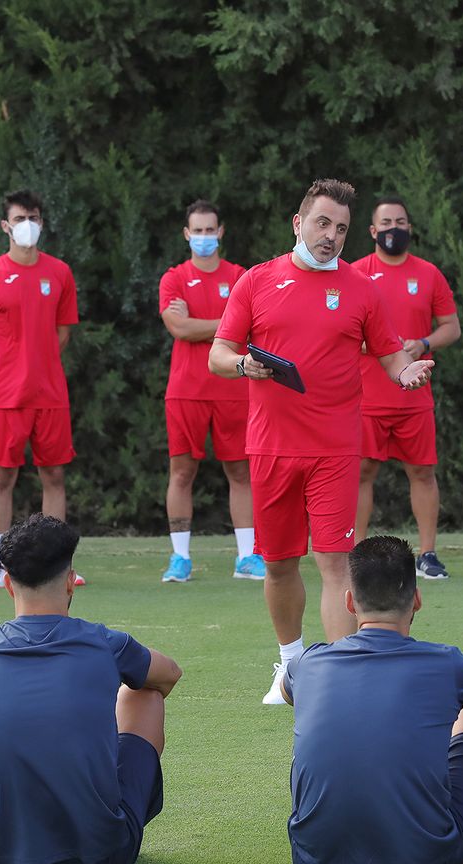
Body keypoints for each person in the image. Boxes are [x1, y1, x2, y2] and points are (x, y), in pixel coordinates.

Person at [209, 178, 433, 704]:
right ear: (298, 223)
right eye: (322, 223)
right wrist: (246, 365)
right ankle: (290, 667)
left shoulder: (361, 288)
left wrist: (407, 373)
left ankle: (338, 678)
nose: (331, 235)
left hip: (335, 448)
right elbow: (218, 354)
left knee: (336, 562)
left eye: (341, 228)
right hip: (270, 448)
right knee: (280, 562)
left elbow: (391, 356)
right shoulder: (257, 281)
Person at [280, 535, 463, 864]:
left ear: (350, 602)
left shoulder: (308, 662)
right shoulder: (447, 664)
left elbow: (290, 693)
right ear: (417, 600)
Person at [0, 514, 181, 864]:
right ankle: (121, 811)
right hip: (103, 860)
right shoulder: (105, 643)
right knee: (145, 692)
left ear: (8, 585)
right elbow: (169, 674)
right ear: (71, 582)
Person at [0, 190, 84, 590]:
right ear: (5, 225)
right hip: (7, 397)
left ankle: (57, 565)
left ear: (42, 221)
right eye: (19, 218)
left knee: (53, 475)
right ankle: (0, 565)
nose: (27, 224)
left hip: (50, 394)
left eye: (32, 217)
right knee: (4, 477)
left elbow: (63, 332)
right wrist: (1, 377)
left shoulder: (60, 273)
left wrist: (40, 367)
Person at [351, 196, 460, 579]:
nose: (392, 228)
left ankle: (427, 555)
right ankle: (356, 555)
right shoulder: (355, 274)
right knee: (361, 473)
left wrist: (423, 344)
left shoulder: (428, 273)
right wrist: (381, 348)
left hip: (415, 397)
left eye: (400, 221)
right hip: (367, 396)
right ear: (372, 230)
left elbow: (451, 326)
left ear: (409, 228)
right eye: (385, 222)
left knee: (422, 472)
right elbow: (340, 331)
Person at [156, 200, 262, 583]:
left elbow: (250, 327)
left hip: (235, 384)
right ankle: (180, 558)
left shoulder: (240, 276)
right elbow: (179, 329)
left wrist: (202, 323)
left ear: (220, 232)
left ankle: (247, 557)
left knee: (240, 471)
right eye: (196, 231)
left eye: (209, 230)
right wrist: (227, 322)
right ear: (187, 235)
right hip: (186, 389)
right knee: (182, 472)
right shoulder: (173, 278)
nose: (203, 237)